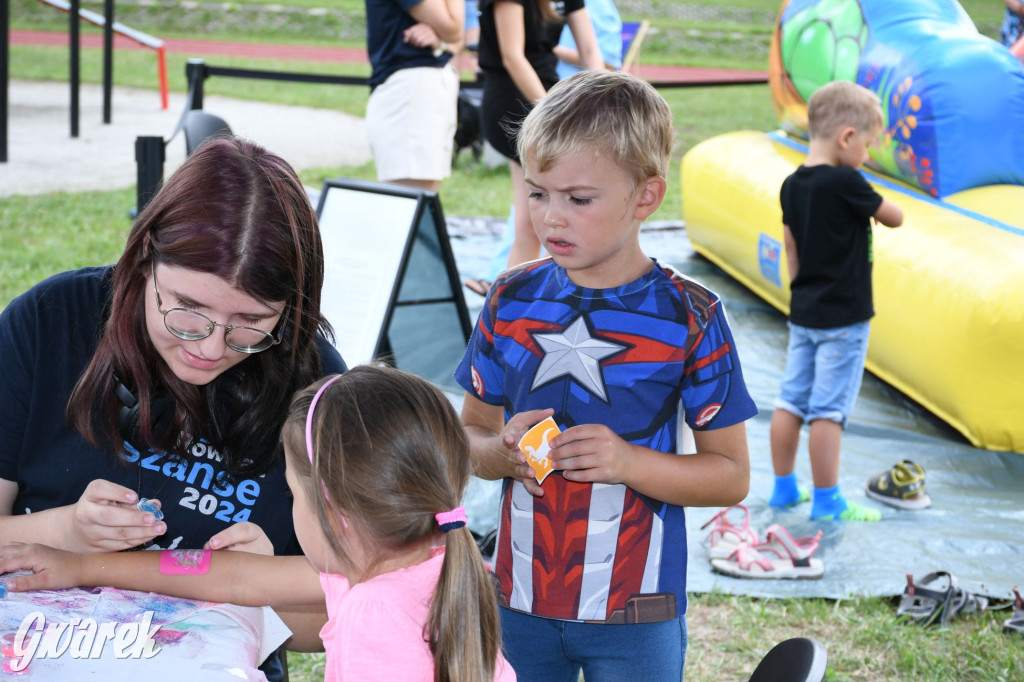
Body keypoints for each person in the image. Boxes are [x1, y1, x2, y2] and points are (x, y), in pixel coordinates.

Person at [455, 70, 757, 680]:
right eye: (537, 193)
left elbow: (730, 476)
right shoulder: (510, 298)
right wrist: (503, 453)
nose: (550, 218)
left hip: (637, 615)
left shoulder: (691, 316)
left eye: (579, 198)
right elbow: (467, 437)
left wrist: (627, 463)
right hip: (516, 603)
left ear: (645, 197)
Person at [0, 136, 346, 667]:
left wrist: (263, 587)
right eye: (187, 308)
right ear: (144, 260)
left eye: (251, 324)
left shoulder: (315, 386)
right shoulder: (49, 323)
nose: (209, 349)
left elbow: (337, 618)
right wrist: (64, 531)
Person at [0, 366, 517, 682]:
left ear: (332, 510)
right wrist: (83, 565)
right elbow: (229, 575)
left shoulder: (374, 614)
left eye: (293, 492)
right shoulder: (420, 551)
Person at [768, 80, 904, 522]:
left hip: (805, 311)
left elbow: (791, 249)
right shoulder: (848, 180)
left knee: (791, 400)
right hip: (844, 319)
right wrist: (870, 183)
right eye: (866, 144)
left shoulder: (791, 184)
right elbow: (895, 218)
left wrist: (803, 292)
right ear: (847, 137)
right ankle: (827, 501)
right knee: (829, 410)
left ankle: (784, 488)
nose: (866, 154)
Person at [463, 0, 622, 297]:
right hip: (515, 102)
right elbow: (513, 58)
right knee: (538, 222)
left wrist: (599, 104)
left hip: (548, 97)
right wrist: (554, 115)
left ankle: (517, 308)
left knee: (536, 222)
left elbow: (591, 53)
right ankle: (515, 312)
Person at [365, 0, 465, 192]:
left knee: (422, 193)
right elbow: (454, 28)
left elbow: (456, 37)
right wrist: (446, 36)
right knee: (407, 198)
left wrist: (440, 41)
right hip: (410, 89)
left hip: (425, 85)